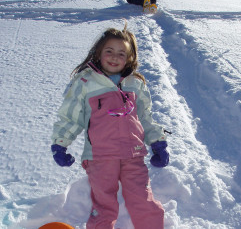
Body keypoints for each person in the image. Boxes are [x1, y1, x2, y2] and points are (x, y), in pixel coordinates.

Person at [50, 20, 169, 229]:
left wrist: (157, 141)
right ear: (98, 52)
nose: (115, 57)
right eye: (109, 51)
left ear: (129, 58)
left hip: (133, 154)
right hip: (100, 157)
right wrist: (61, 143)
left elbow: (145, 116)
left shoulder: (135, 83)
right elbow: (71, 116)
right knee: (104, 206)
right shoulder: (85, 82)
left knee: (143, 201)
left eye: (121, 54)